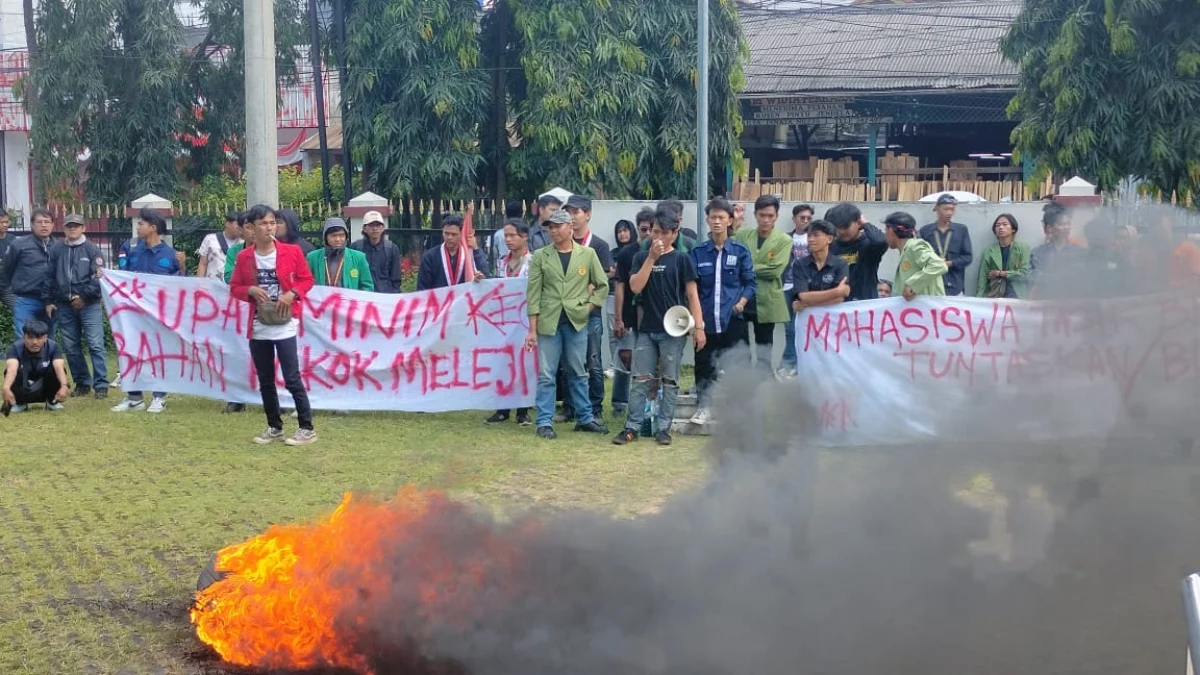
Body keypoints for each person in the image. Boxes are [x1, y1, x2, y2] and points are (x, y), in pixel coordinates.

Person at [614, 207, 704, 447]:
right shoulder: (641, 257)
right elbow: (634, 286)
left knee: (670, 380)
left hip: (674, 330)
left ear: (674, 233)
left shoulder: (682, 259)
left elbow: (693, 295)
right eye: (654, 232)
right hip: (647, 329)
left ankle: (664, 428)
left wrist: (699, 327)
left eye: (663, 233)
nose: (657, 238)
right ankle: (631, 427)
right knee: (640, 378)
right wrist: (652, 258)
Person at [229, 204, 318, 446]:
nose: (270, 228)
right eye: (263, 224)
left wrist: (293, 294)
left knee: (291, 376)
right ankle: (274, 426)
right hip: (259, 323)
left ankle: (306, 427)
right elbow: (234, 287)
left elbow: (307, 279)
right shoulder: (244, 257)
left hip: (286, 320)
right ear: (251, 228)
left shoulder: (292, 252)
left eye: (272, 223)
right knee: (266, 378)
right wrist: (249, 290)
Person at [524, 209, 609, 440]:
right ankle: (544, 421)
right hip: (548, 322)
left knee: (579, 372)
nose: (553, 230)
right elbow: (533, 294)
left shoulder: (588, 254)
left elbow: (602, 285)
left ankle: (585, 417)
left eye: (557, 226)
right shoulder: (541, 255)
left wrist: (589, 307)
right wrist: (532, 329)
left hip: (576, 320)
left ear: (570, 227)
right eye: (550, 227)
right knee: (546, 374)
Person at [689, 198, 756, 426]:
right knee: (704, 364)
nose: (717, 222)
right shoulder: (698, 252)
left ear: (730, 220)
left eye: (721, 217)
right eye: (713, 217)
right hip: (706, 321)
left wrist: (742, 302)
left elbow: (750, 282)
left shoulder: (740, 251)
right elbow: (692, 289)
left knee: (737, 364)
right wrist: (697, 323)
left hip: (732, 319)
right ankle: (703, 407)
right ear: (707, 220)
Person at [111, 209, 182, 414]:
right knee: (131, 352)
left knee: (158, 354)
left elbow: (178, 285)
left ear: (153, 228)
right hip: (133, 313)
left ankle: (159, 397)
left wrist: (183, 265)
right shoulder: (131, 249)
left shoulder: (171, 254)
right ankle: (134, 397)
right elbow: (121, 276)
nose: (137, 226)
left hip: (159, 315)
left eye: (141, 223)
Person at [43, 214, 108, 399]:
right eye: (69, 225)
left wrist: (84, 297)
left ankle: (101, 385)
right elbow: (49, 276)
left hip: (90, 304)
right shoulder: (57, 249)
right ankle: (82, 383)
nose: (72, 228)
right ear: (64, 228)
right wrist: (49, 301)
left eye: (76, 225)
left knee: (95, 345)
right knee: (71, 347)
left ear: (83, 228)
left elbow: (99, 277)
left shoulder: (92, 249)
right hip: (64, 304)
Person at [564, 195, 613, 421]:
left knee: (593, 362)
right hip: (566, 314)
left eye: (577, 212)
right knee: (570, 363)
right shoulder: (562, 244)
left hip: (590, 314)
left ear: (588, 214)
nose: (572, 217)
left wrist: (584, 298)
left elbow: (600, 279)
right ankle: (570, 407)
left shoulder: (599, 245)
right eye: (569, 212)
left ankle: (595, 408)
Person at [734, 195, 791, 377]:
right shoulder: (743, 235)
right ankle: (742, 380)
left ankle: (764, 383)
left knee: (765, 346)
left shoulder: (783, 240)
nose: (766, 220)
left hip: (767, 299)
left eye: (770, 215)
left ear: (776, 216)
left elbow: (775, 271)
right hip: (742, 298)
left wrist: (747, 267)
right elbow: (734, 262)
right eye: (762, 215)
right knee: (740, 345)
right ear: (755, 215)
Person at [486, 219, 534, 427]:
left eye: (512, 235)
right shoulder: (501, 262)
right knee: (503, 363)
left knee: (525, 364)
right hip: (504, 320)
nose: (508, 239)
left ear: (524, 237)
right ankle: (502, 409)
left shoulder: (533, 261)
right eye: (506, 235)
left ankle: (523, 410)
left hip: (525, 319)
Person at [612, 208, 654, 419]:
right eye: (644, 229)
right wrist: (618, 318)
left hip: (654, 318)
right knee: (625, 359)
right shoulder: (627, 253)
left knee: (651, 365)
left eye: (651, 229)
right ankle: (620, 402)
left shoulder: (662, 253)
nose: (648, 233)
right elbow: (619, 287)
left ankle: (650, 406)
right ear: (638, 229)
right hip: (629, 316)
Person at [2, 208, 55, 338]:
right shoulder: (19, 244)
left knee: (48, 339)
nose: (44, 225)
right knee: (24, 338)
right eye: (40, 222)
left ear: (52, 225)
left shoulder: (58, 246)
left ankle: (46, 359)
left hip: (51, 301)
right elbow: (7, 269)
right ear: (32, 225)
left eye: (47, 222)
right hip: (26, 299)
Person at [2, 320, 69, 413]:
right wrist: (6, 388)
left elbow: (59, 368)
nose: (35, 342)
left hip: (44, 388)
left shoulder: (53, 347)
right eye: (30, 338)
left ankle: (52, 402)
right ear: (24, 337)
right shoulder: (15, 348)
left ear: (45, 338)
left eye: (39, 338)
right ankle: (19, 403)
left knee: (56, 369)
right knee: (12, 371)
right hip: (24, 388)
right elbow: (11, 370)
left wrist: (64, 386)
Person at [827, 202, 888, 301]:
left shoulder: (869, 245)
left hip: (864, 303)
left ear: (858, 222)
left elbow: (881, 241)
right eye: (837, 227)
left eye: (845, 227)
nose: (841, 231)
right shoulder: (830, 246)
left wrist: (866, 223)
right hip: (838, 305)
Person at [779, 203, 813, 378]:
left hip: (805, 288)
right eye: (802, 218)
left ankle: (790, 362)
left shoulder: (814, 238)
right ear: (794, 219)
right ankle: (790, 363)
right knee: (789, 327)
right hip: (786, 286)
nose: (805, 221)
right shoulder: (785, 238)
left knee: (800, 328)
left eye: (808, 218)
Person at [790, 219, 851, 313]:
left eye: (816, 235)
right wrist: (836, 292)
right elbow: (803, 296)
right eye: (809, 235)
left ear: (829, 239)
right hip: (807, 318)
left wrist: (807, 304)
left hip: (834, 317)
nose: (810, 239)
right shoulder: (800, 264)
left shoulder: (840, 263)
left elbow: (839, 299)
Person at [918, 194, 974, 296]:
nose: (949, 213)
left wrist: (950, 263)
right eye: (946, 209)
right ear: (937, 209)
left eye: (952, 209)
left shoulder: (961, 230)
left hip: (955, 285)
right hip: (931, 285)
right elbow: (919, 257)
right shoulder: (925, 231)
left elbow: (967, 257)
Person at [884, 211, 947, 300]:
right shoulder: (906, 250)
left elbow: (939, 265)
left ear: (890, 230)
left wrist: (913, 284)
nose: (885, 235)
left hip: (926, 310)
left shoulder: (914, 246)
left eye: (885, 230)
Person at [416, 214, 488, 290]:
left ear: (461, 234)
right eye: (446, 233)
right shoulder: (430, 256)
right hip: (439, 300)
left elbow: (486, 276)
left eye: (454, 234)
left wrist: (476, 249)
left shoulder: (470, 254)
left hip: (463, 299)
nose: (449, 237)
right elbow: (422, 288)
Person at [1029, 204, 1083, 298]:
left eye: (1068, 224)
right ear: (1050, 228)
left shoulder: (1077, 252)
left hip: (1071, 300)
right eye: (1062, 224)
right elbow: (1033, 276)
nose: (1066, 227)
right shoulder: (1037, 253)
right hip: (1045, 300)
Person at [308, 217, 374, 291]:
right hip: (322, 301)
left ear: (346, 237)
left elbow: (367, 286)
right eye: (333, 236)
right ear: (325, 237)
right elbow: (306, 283)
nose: (338, 239)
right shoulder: (312, 257)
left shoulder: (359, 257)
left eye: (341, 235)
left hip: (348, 301)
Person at [976, 214, 1031, 299]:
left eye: (1005, 224)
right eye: (997, 225)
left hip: (1017, 295)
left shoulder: (1023, 248)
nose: (1001, 227)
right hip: (995, 294)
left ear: (1013, 229)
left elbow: (1025, 273)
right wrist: (979, 299)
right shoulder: (989, 250)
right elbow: (982, 278)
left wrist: (1001, 273)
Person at [350, 210, 402, 293]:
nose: (375, 228)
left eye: (378, 225)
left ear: (383, 228)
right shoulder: (355, 248)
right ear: (364, 228)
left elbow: (396, 279)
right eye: (371, 225)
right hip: (362, 296)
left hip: (384, 298)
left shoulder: (392, 248)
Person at [197, 212, 242, 281]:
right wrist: (199, 284)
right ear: (228, 224)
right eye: (238, 225)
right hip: (212, 286)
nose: (240, 229)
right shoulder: (210, 239)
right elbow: (203, 264)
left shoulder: (243, 243)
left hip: (234, 286)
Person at [0, 210, 16, 326]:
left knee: (21, 314)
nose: (5, 225)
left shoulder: (13, 240)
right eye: (2, 222)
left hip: (8, 287)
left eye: (6, 222)